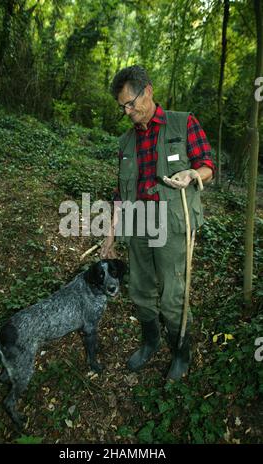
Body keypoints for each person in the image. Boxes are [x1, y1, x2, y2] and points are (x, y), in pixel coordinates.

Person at [100, 65, 215, 380]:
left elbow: (207, 164)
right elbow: (120, 193)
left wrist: (193, 173)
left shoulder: (182, 122)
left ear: (147, 90)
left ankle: (181, 352)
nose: (127, 110)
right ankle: (151, 341)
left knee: (173, 293)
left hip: (173, 223)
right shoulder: (125, 142)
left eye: (130, 102)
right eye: (122, 106)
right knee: (139, 288)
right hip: (139, 224)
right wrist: (110, 236)